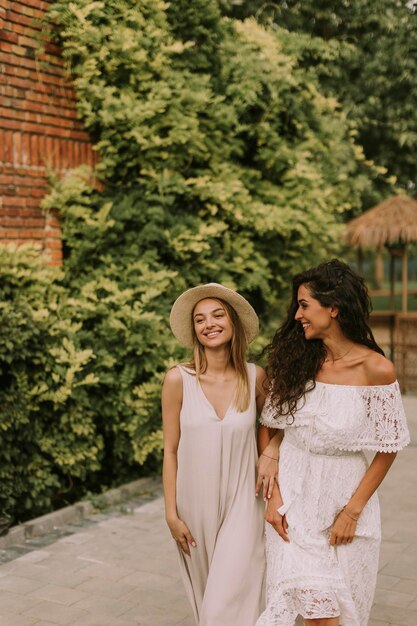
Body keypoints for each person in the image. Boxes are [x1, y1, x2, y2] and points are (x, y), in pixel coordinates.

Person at [255, 259, 410, 626]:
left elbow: (388, 446)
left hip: (345, 498)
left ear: (334, 308)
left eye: (304, 305)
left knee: (340, 612)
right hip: (293, 501)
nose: (297, 316)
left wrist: (351, 512)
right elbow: (270, 423)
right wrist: (274, 494)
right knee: (317, 614)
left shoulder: (376, 369)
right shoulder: (296, 360)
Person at [162, 283, 267, 626]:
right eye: (200, 319)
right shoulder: (178, 380)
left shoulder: (256, 378)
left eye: (218, 315)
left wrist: (275, 452)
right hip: (194, 507)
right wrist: (171, 514)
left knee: (221, 609)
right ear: (194, 330)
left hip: (244, 502)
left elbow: (275, 430)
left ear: (233, 323)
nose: (209, 323)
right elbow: (171, 450)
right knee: (209, 600)